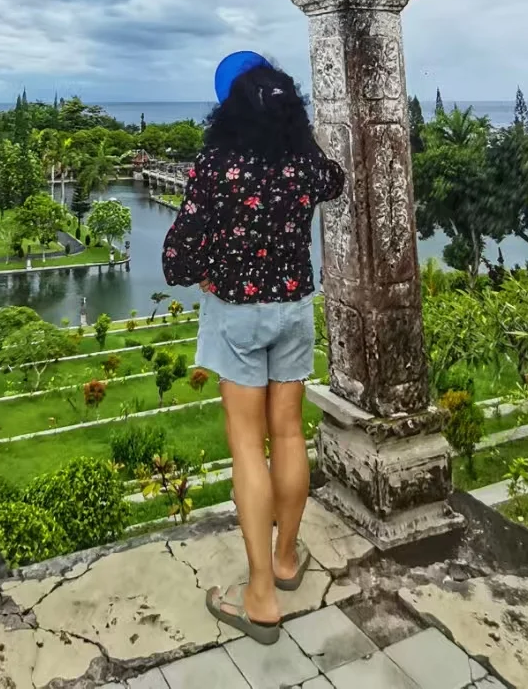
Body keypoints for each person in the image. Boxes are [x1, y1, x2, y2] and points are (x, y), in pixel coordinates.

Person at [162, 51, 344, 645]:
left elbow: (177, 258)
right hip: (293, 309)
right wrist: (300, 132)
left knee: (248, 444)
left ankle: (261, 595)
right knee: (289, 432)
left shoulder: (217, 165)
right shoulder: (300, 162)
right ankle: (287, 560)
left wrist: (217, 262)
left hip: (237, 313)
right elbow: (334, 180)